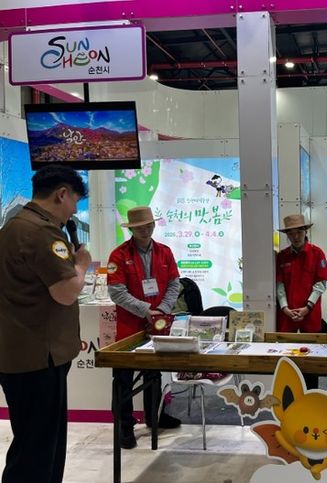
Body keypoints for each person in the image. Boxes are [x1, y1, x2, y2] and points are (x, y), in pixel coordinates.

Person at [0, 165, 92, 483]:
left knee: (35, 442)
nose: (74, 211)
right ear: (61, 194)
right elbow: (66, 292)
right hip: (39, 356)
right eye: (75, 201)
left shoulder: (14, 227)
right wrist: (81, 265)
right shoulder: (42, 232)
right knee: (38, 449)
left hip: (22, 353)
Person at [107, 206, 182, 449]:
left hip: (158, 322)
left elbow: (174, 284)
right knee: (123, 378)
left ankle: (154, 416)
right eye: (140, 226)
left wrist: (162, 309)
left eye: (149, 224)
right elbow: (116, 292)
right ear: (132, 229)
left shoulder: (165, 252)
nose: (145, 229)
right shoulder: (118, 255)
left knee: (154, 373)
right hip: (129, 326)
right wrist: (145, 310)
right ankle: (124, 426)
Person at [276, 213, 327, 388]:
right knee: (288, 358)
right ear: (287, 235)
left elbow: (321, 284)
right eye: (291, 234)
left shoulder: (316, 253)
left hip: (310, 315)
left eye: (298, 232)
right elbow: (279, 285)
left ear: (305, 232)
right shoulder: (282, 256)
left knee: (311, 359)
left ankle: (312, 394)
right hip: (287, 316)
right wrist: (284, 308)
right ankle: (290, 395)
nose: (295, 237)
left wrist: (308, 307)